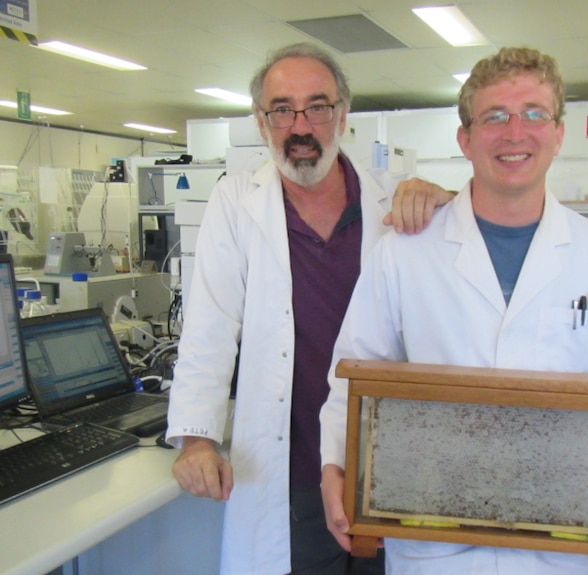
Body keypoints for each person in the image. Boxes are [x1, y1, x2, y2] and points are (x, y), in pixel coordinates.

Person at [320, 46, 588, 575]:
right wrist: (335, 469)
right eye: (494, 117)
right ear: (465, 139)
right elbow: (352, 376)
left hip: (565, 543)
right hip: (431, 538)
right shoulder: (404, 252)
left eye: (534, 114)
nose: (515, 133)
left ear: (559, 133)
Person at [165, 42, 452, 575]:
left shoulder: (391, 203)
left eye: (317, 107)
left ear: (342, 115)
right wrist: (197, 440)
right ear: (261, 120)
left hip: (383, 466)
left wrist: (447, 202)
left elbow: (461, 282)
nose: (300, 125)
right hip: (289, 466)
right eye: (282, 109)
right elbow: (209, 328)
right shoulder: (235, 203)